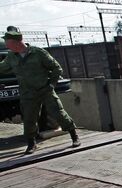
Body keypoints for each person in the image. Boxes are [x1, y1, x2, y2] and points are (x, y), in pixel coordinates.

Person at [0, 26, 80, 154]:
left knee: (58, 113)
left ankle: (74, 136)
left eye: (8, 42)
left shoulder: (38, 53)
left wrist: (52, 84)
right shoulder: (11, 57)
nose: (7, 45)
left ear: (16, 43)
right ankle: (31, 144)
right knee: (29, 119)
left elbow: (56, 68)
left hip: (45, 90)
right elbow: (2, 68)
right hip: (28, 93)